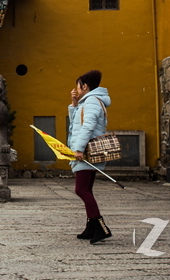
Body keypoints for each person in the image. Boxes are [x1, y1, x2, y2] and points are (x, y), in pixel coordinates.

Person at [67, 69, 113, 244]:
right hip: (85, 150)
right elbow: (76, 123)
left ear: (85, 86)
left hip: (86, 151)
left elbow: (88, 126)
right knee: (86, 189)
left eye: (78, 86)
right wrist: (74, 103)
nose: (76, 89)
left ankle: (101, 227)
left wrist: (78, 149)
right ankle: (91, 227)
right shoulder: (88, 101)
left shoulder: (92, 101)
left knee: (81, 189)